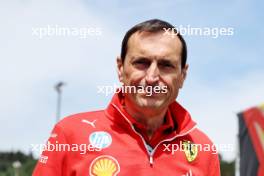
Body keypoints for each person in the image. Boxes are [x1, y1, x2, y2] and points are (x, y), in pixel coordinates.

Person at [33, 19, 220, 176]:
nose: (152, 77)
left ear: (182, 76)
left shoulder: (203, 149)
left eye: (166, 65)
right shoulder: (70, 134)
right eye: (141, 62)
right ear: (120, 68)